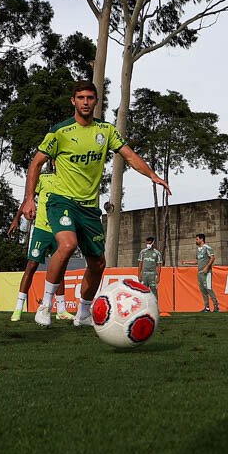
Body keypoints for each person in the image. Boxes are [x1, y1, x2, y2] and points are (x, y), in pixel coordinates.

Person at [19, 81, 172, 328]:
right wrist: (29, 198)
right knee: (67, 245)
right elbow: (35, 163)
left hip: (89, 207)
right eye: (81, 97)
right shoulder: (60, 132)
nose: (86, 102)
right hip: (61, 200)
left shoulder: (106, 131)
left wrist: (153, 175)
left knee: (98, 264)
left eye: (90, 97)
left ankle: (83, 314)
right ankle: (45, 306)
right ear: (73, 101)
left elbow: (130, 156)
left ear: (96, 101)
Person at [11, 170, 70, 322]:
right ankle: (18, 308)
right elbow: (28, 198)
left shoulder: (70, 180)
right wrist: (16, 219)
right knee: (31, 266)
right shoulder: (44, 178)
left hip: (60, 230)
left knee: (60, 268)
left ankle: (62, 310)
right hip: (41, 229)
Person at [194, 234, 217, 312]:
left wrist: (207, 267)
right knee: (203, 290)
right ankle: (207, 308)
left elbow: (212, 258)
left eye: (197, 239)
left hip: (207, 272)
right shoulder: (198, 249)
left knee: (209, 288)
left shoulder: (207, 248)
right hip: (200, 273)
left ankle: (216, 306)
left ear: (201, 239)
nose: (196, 241)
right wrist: (186, 262)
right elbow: (197, 261)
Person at [137, 236, 162, 304]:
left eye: (150, 243)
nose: (148, 244)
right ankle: (143, 305)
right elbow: (140, 264)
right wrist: (139, 274)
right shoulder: (143, 252)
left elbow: (159, 265)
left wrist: (158, 276)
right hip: (144, 274)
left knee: (154, 290)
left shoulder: (157, 253)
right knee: (143, 290)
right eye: (147, 243)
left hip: (153, 274)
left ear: (153, 243)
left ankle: (155, 305)